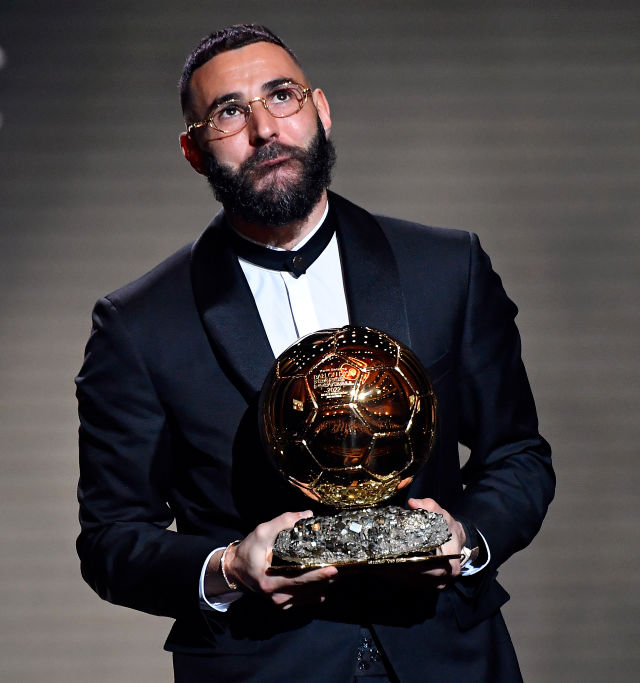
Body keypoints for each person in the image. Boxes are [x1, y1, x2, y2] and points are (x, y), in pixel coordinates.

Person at [75, 24, 554, 682]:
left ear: (320, 110)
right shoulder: (137, 325)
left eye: (281, 97)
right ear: (193, 149)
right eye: (229, 112)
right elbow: (110, 539)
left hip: (452, 658)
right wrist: (227, 567)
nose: (265, 129)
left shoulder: (448, 268)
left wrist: (469, 540)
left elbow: (519, 457)